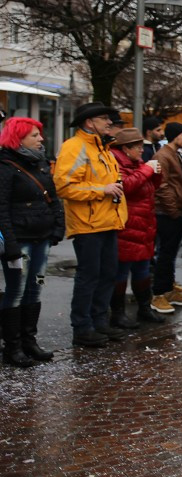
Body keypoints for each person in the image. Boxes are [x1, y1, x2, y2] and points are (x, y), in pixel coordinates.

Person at [53, 102, 128, 348]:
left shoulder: (103, 148)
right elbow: (64, 186)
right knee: (89, 277)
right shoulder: (74, 147)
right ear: (89, 122)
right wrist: (101, 190)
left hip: (107, 221)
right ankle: (82, 327)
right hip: (88, 224)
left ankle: (99, 321)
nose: (109, 122)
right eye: (104, 118)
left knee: (107, 274)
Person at [0, 117, 64, 365]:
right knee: (16, 291)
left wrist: (58, 227)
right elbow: (1, 209)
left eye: (39, 134)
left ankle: (29, 341)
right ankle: (12, 347)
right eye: (35, 135)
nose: (41, 139)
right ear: (19, 138)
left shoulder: (39, 164)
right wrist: (12, 245)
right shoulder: (5, 167)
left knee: (36, 287)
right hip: (21, 241)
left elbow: (53, 197)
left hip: (42, 240)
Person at [110, 127, 165, 327]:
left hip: (143, 224)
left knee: (142, 270)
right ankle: (118, 313)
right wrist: (148, 170)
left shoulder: (136, 163)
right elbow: (127, 186)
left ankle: (145, 308)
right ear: (126, 148)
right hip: (127, 225)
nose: (142, 150)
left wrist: (156, 173)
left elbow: (149, 186)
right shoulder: (116, 162)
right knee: (122, 271)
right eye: (138, 147)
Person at [150, 122, 182, 313]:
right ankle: (159, 294)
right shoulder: (163, 155)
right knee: (165, 254)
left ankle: (168, 288)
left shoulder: (174, 154)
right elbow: (162, 186)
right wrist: (173, 210)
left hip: (176, 210)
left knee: (169, 254)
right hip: (167, 212)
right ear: (175, 136)